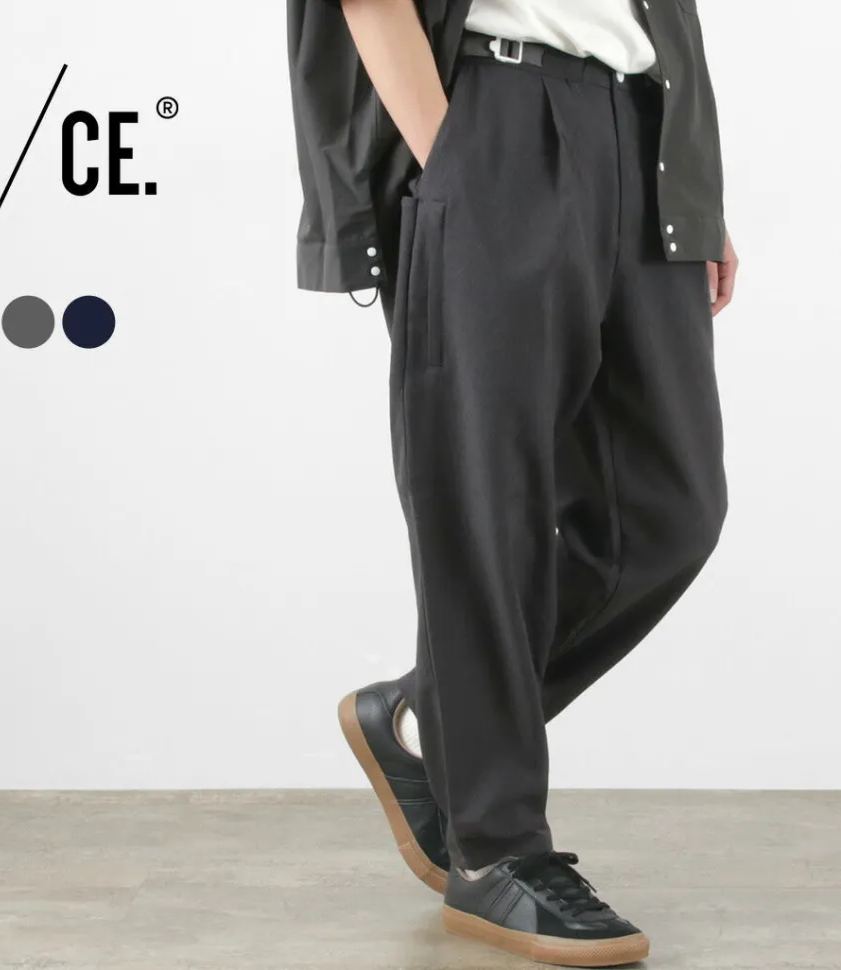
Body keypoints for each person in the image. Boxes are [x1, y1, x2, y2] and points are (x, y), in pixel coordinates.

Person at [287, 1, 738, 966]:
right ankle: (494, 849)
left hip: (643, 122)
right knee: (488, 506)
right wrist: (453, 160)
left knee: (671, 514)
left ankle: (424, 715)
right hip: (493, 109)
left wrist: (694, 180)